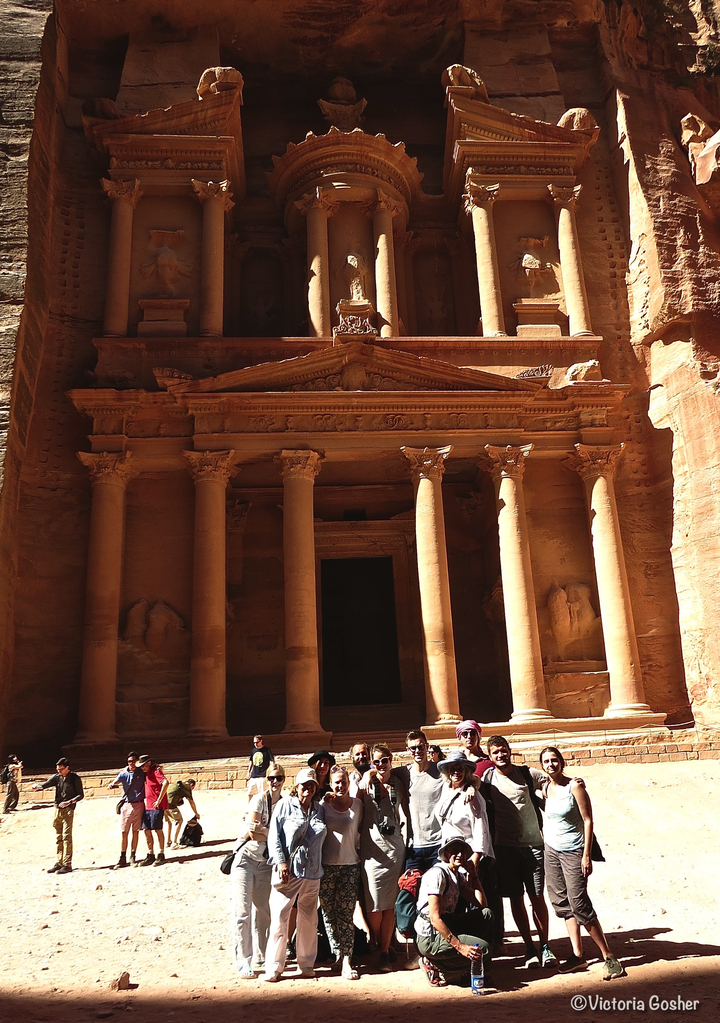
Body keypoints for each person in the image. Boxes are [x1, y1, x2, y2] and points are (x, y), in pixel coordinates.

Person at [539, 746, 624, 980]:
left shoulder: (574, 787)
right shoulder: (545, 788)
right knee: (561, 902)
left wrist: (586, 855)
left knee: (579, 903)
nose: (551, 764)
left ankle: (609, 956)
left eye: (554, 760)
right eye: (546, 761)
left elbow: (588, 820)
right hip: (551, 851)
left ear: (561, 762)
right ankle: (578, 955)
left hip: (573, 851)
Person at [482, 736, 557, 969]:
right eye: (495, 752)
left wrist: (552, 790)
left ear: (509, 750)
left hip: (533, 845)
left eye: (503, 750)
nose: (501, 755)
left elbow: (550, 781)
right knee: (516, 898)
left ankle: (544, 945)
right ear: (490, 756)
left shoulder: (527, 773)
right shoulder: (488, 779)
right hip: (505, 848)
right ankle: (529, 947)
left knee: (537, 897)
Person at [264, 767, 327, 982]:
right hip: (288, 872)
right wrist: (281, 862)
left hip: (312, 872)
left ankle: (306, 963)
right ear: (296, 786)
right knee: (280, 918)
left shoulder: (319, 809)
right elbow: (274, 836)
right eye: (304, 785)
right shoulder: (285, 805)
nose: (308, 788)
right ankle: (274, 967)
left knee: (309, 920)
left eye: (312, 784)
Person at [415, 838, 494, 988]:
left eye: (462, 851)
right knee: (483, 949)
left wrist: (474, 875)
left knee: (486, 915)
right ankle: (436, 965)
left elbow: (482, 904)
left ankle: (479, 970)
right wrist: (461, 947)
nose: (460, 855)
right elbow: (435, 919)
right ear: (446, 854)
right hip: (430, 936)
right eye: (454, 851)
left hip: (447, 923)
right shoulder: (437, 875)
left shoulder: (456, 875)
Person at [232, 764, 286, 978]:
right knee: (243, 911)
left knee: (263, 910)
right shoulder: (258, 800)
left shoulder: (284, 804)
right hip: (245, 859)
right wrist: (271, 833)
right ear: (266, 779)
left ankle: (261, 954)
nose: (275, 782)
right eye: (271, 778)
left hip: (265, 863)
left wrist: (266, 831)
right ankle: (243, 961)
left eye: (278, 778)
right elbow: (254, 833)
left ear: (284, 779)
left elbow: (281, 836)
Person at [358, 743, 409, 973]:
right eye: (376, 761)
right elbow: (355, 801)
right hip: (372, 850)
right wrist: (367, 775)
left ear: (391, 760)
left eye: (384, 760)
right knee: (374, 906)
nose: (380, 765)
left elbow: (405, 812)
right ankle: (380, 941)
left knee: (390, 904)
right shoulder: (366, 782)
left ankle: (385, 951)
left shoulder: (398, 782)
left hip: (394, 848)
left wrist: (407, 840)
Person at [319, 765, 363, 980]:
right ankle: (337, 953)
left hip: (350, 865)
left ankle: (347, 959)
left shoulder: (358, 805)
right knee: (329, 914)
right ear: (330, 784)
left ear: (349, 783)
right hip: (326, 866)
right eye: (336, 782)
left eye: (344, 782)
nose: (340, 786)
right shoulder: (323, 806)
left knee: (345, 913)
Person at [32, 758, 84, 874]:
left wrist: (69, 802)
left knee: (66, 836)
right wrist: (38, 787)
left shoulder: (74, 778)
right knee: (58, 836)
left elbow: (80, 795)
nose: (59, 771)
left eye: (61, 769)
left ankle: (67, 863)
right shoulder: (57, 777)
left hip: (68, 809)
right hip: (58, 809)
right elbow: (46, 784)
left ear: (67, 768)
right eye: (58, 769)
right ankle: (59, 862)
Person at [107, 751, 145, 868]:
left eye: (133, 761)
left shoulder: (141, 772)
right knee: (124, 831)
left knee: (135, 831)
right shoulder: (123, 774)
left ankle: (132, 856)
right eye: (129, 761)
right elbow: (115, 781)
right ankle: (122, 857)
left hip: (139, 804)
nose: (131, 764)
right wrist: (111, 785)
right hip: (127, 804)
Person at [136, 755, 168, 867]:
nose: (142, 768)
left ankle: (161, 853)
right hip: (148, 806)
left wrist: (159, 800)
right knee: (146, 829)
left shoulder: (155, 771)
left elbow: (165, 783)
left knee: (158, 829)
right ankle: (150, 854)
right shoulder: (148, 772)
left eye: (143, 765)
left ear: (149, 763)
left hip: (156, 806)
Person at [165, 778, 199, 849]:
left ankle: (168, 841)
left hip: (164, 804)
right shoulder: (186, 788)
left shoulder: (179, 784)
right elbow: (191, 802)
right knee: (179, 821)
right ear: (191, 785)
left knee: (169, 822)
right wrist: (196, 813)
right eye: (192, 788)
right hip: (171, 805)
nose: (192, 789)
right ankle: (174, 843)